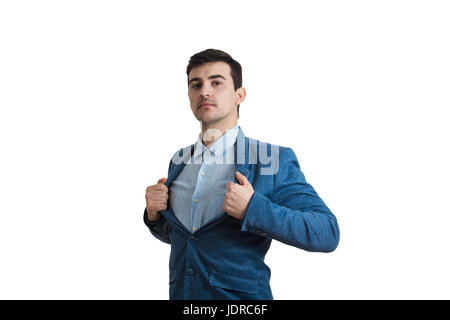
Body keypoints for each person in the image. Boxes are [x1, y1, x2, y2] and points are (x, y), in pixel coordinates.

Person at [143, 49, 340, 300]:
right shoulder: (178, 160)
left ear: (239, 95)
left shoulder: (272, 160)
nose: (205, 91)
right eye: (196, 84)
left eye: (216, 82)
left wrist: (253, 209)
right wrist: (155, 217)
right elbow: (190, 241)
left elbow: (327, 231)